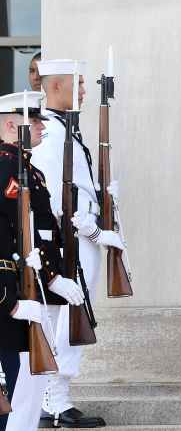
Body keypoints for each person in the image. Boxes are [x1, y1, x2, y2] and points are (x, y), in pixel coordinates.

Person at [31, 60, 122, 428]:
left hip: (79, 238)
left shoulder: (65, 130)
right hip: (70, 240)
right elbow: (53, 198)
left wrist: (103, 197)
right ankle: (55, 400)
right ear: (56, 88)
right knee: (63, 320)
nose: (83, 91)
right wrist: (93, 230)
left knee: (69, 319)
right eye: (77, 84)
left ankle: (55, 398)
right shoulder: (51, 134)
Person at [0, 91, 84, 431]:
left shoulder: (25, 169)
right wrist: (10, 301)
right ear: (9, 124)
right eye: (32, 122)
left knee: (27, 398)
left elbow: (34, 235)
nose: (40, 128)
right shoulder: (6, 167)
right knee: (15, 397)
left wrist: (50, 277)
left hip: (27, 292)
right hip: (11, 301)